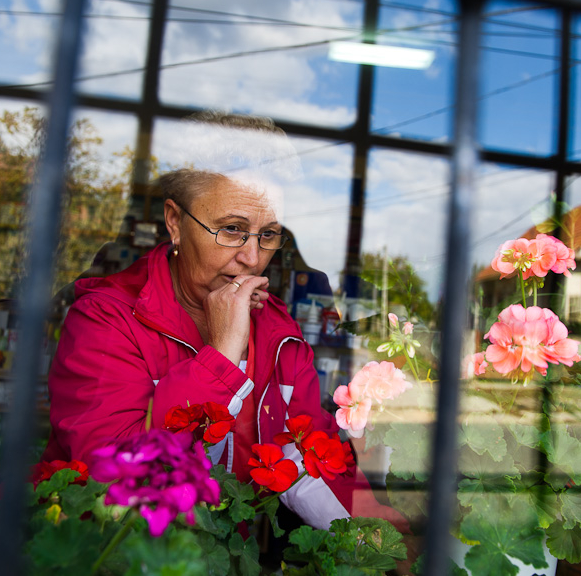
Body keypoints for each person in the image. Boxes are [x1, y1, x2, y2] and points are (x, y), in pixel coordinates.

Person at [42, 114, 407, 533]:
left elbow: (314, 456)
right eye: (232, 230)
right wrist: (221, 357)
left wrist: (382, 536)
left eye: (268, 234)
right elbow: (108, 478)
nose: (252, 258)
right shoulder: (107, 319)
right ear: (175, 223)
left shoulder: (278, 332)